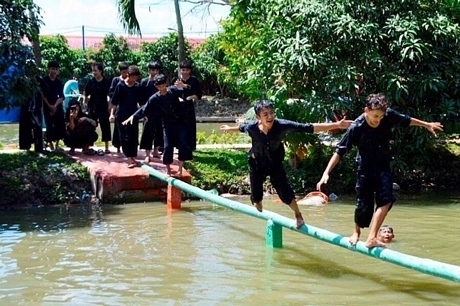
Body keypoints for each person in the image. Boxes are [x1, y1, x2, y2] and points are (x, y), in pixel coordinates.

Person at [316, 93, 443, 248]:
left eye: (380, 116)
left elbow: (407, 120)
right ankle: (356, 232)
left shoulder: (388, 115)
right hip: (365, 167)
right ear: (366, 110)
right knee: (363, 204)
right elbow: (339, 151)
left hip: (383, 164)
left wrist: (426, 124)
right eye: (375, 116)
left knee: (386, 199)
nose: (378, 119)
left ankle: (372, 238)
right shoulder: (357, 127)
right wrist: (326, 173)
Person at [220, 99, 352, 228]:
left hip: (274, 163)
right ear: (258, 117)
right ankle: (257, 200)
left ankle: (298, 214)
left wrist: (336, 125)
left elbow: (308, 127)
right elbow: (241, 128)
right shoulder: (252, 127)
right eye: (265, 114)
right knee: (257, 201)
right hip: (256, 164)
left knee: (285, 192)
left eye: (272, 113)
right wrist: (228, 128)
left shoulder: (281, 125)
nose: (270, 117)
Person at [122, 74, 192, 176]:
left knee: (183, 144)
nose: (162, 88)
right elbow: (144, 109)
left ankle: (180, 170)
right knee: (167, 147)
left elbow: (190, 91)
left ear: (166, 84)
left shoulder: (173, 90)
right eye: (159, 86)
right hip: (167, 124)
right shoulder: (154, 98)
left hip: (180, 122)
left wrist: (184, 86)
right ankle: (168, 171)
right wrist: (133, 117)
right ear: (156, 86)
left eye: (163, 85)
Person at [109, 65, 142, 168]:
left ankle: (133, 157)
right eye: (133, 77)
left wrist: (143, 114)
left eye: (136, 78)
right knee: (124, 137)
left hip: (133, 115)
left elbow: (140, 102)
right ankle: (128, 158)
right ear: (128, 75)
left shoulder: (137, 87)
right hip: (122, 114)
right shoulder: (120, 85)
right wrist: (111, 114)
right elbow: (114, 102)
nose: (134, 80)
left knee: (133, 136)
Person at [171, 60, 202, 151]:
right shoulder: (175, 79)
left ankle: (190, 147)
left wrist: (190, 96)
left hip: (188, 106)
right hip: (177, 107)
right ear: (180, 70)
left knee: (190, 126)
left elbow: (199, 94)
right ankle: (177, 146)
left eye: (187, 70)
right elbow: (170, 92)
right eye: (183, 70)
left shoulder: (194, 80)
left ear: (190, 71)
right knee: (176, 126)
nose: (185, 72)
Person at [139, 61, 164, 163]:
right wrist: (143, 112)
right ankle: (147, 154)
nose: (155, 72)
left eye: (157, 70)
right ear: (149, 70)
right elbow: (141, 98)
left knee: (159, 131)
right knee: (148, 132)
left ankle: (156, 151)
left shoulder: (160, 82)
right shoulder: (144, 82)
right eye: (153, 70)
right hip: (148, 110)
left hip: (160, 110)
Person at [84, 62, 111, 153]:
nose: (94, 73)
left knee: (105, 126)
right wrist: (85, 102)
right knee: (90, 126)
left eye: (95, 70)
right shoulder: (91, 81)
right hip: (92, 106)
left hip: (103, 106)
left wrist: (110, 106)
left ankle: (107, 147)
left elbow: (110, 95)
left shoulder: (106, 82)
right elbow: (86, 93)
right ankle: (88, 145)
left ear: (100, 71)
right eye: (93, 71)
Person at [19, 60, 44, 154]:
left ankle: (38, 150)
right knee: (25, 126)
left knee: (38, 127)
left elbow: (45, 91)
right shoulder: (22, 79)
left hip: (36, 107)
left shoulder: (39, 79)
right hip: (25, 106)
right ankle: (26, 148)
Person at [41, 60, 66, 151]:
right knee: (49, 125)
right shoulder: (44, 81)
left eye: (56, 69)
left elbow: (62, 96)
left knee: (60, 124)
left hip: (57, 106)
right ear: (49, 69)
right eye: (52, 69)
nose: (54, 71)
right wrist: (49, 106)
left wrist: (55, 106)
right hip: (47, 106)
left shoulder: (59, 82)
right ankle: (50, 144)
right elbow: (42, 95)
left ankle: (57, 145)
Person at [109, 61, 129, 153]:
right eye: (123, 72)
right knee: (118, 129)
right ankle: (118, 147)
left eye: (126, 71)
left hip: (128, 106)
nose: (125, 73)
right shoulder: (116, 80)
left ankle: (128, 147)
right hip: (118, 105)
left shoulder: (130, 80)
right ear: (120, 71)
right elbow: (112, 93)